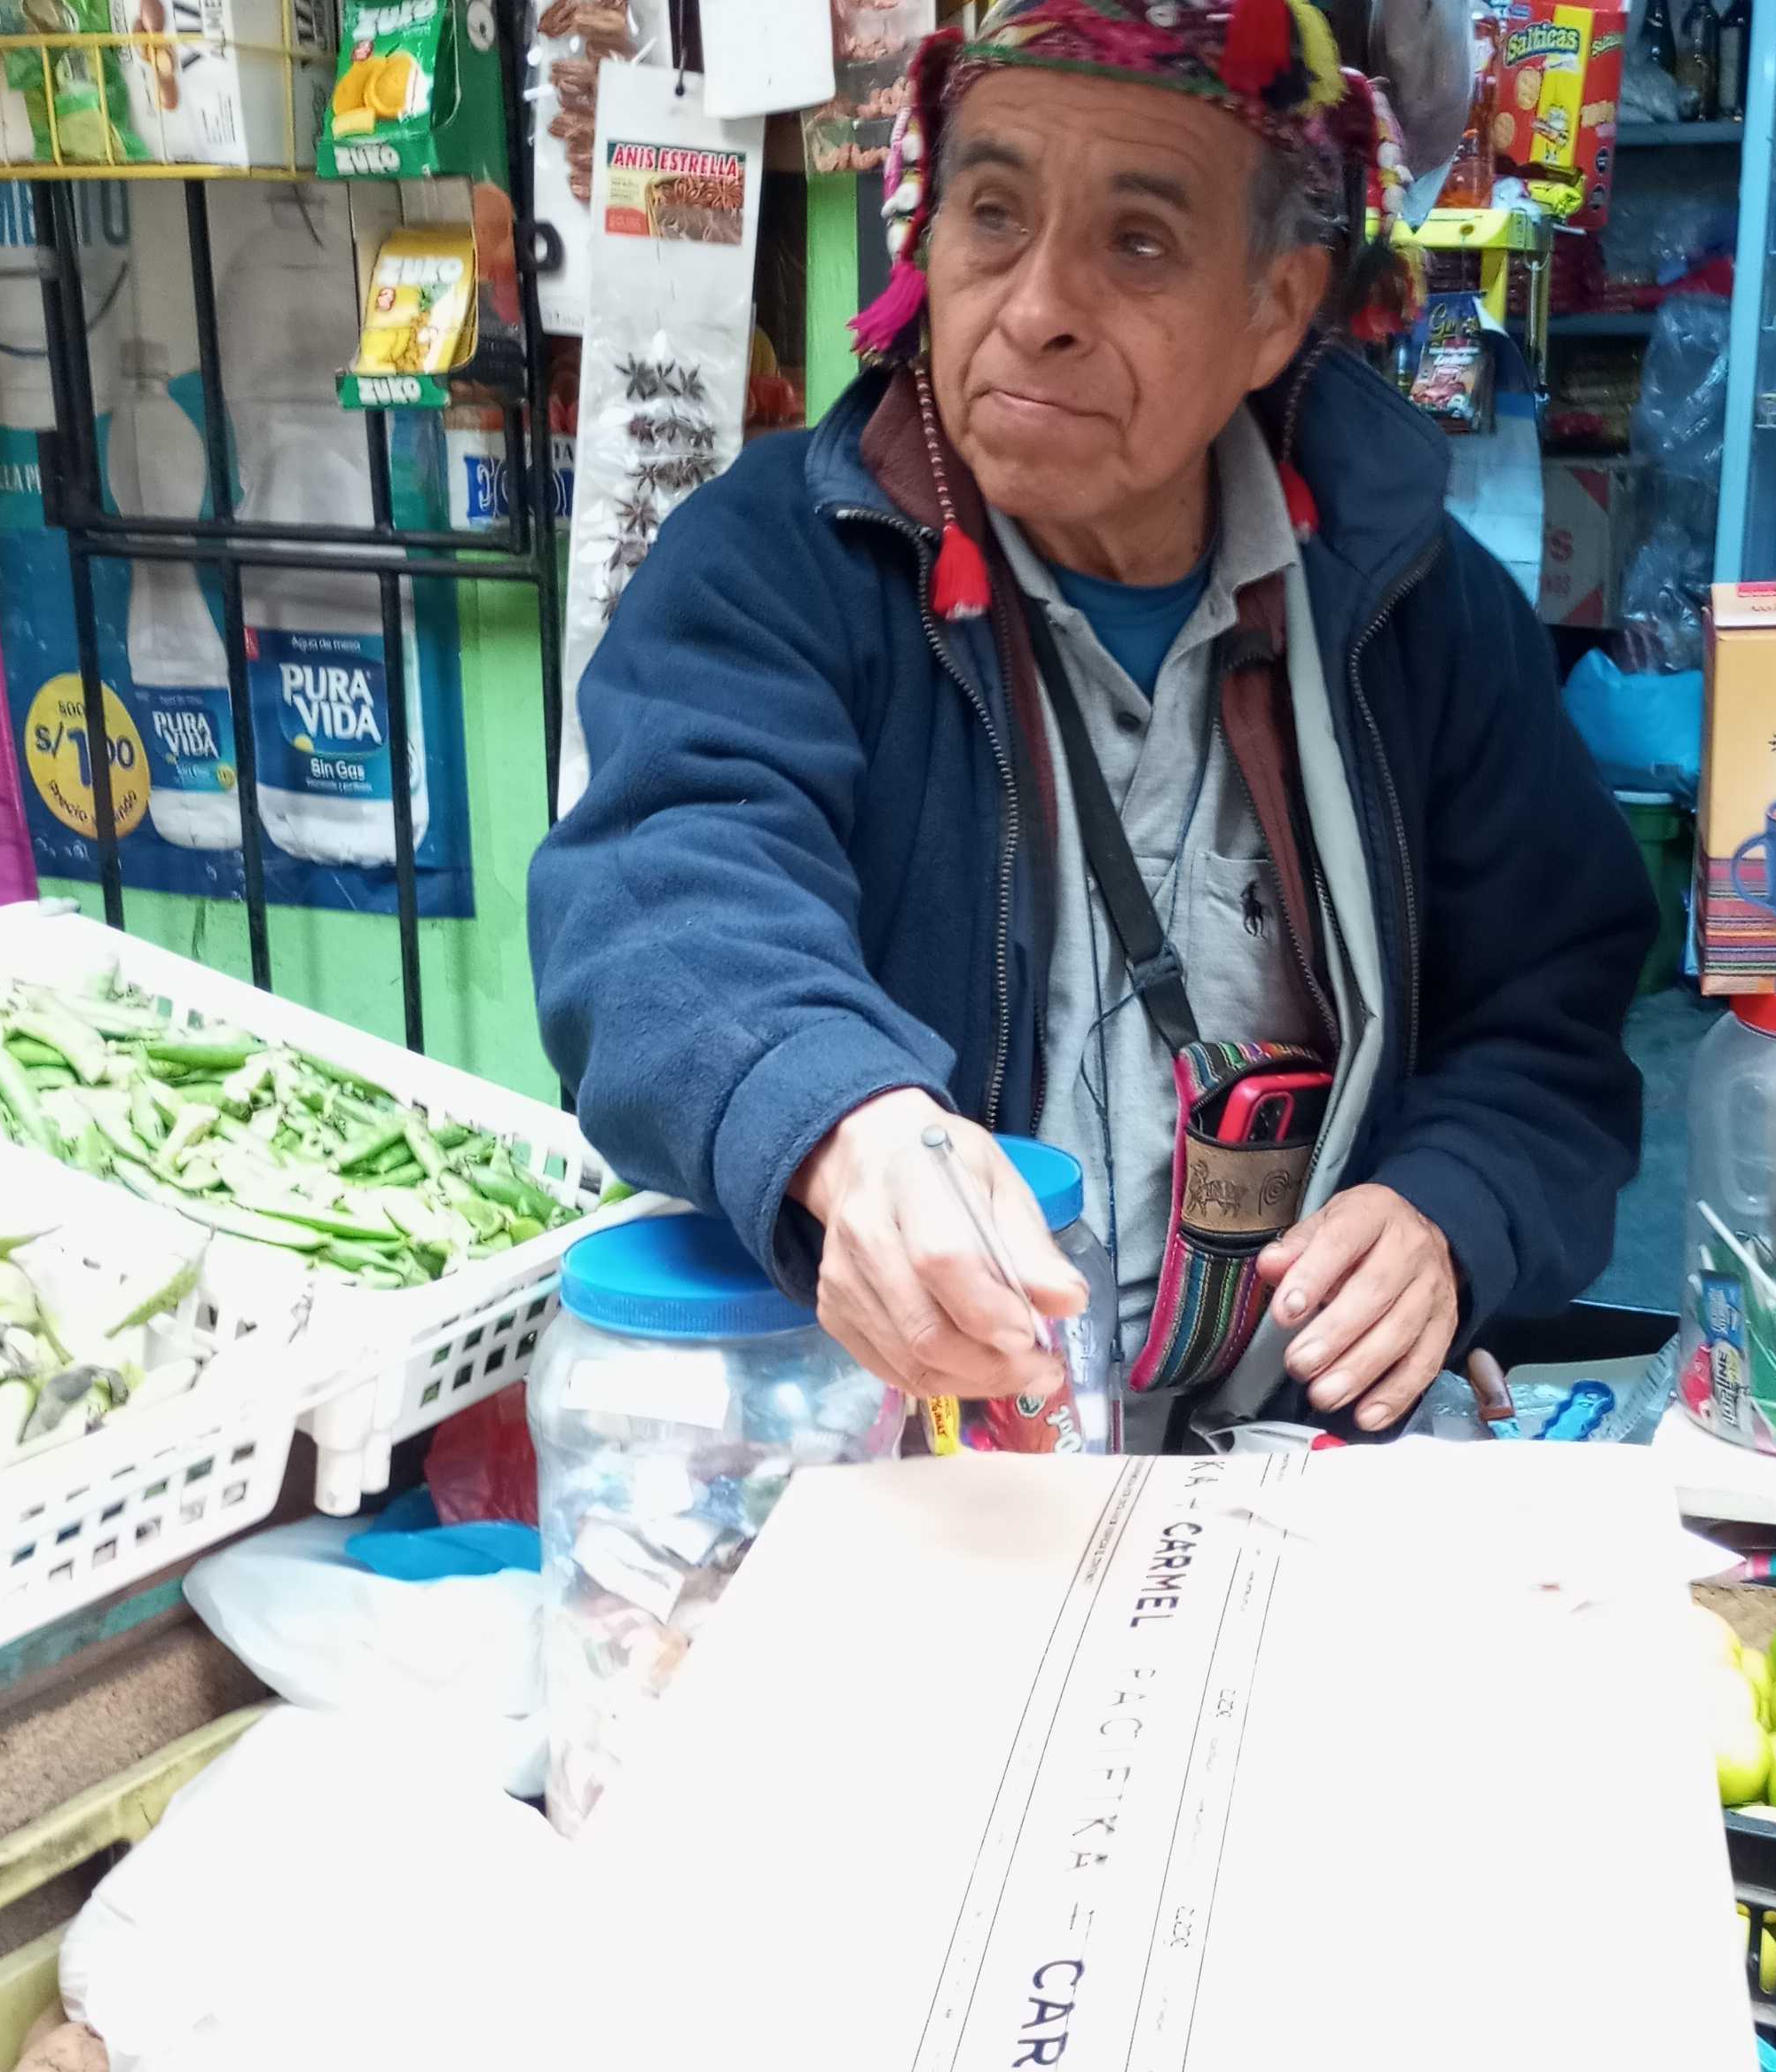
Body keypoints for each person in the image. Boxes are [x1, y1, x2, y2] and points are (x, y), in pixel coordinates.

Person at [531, 0, 1654, 1446]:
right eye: (993, 214)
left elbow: (1550, 1016)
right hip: (906, 1457)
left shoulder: (1415, 611)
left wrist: (1455, 1207)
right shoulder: (780, 566)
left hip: (1288, 1453)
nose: (1037, 305)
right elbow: (662, 890)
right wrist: (839, 1123)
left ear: (1276, 306)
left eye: (1139, 242)